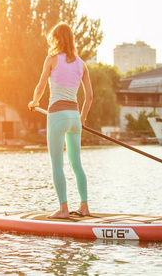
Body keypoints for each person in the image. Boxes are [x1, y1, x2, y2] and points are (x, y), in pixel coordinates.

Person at [28, 22, 93, 219]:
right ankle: (84, 207)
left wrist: (34, 102)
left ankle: (64, 210)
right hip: (74, 117)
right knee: (77, 164)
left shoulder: (52, 59)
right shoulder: (82, 64)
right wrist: (82, 118)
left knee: (57, 164)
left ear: (56, 39)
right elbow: (89, 97)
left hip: (57, 116)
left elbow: (40, 87)